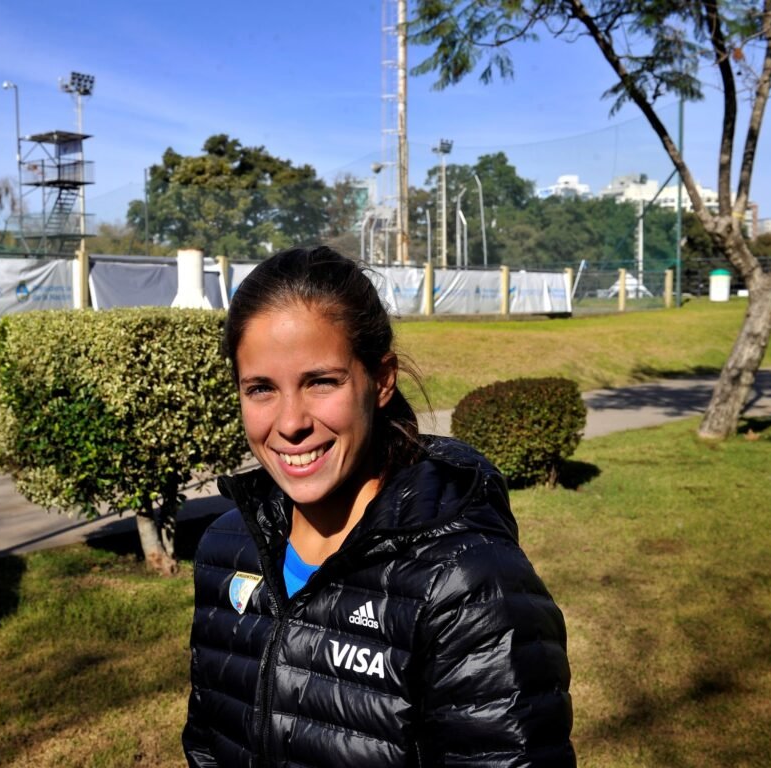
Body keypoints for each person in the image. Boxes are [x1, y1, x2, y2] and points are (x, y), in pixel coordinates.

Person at [184, 246, 575, 767]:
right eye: (260, 389)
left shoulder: (468, 584)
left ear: (382, 378)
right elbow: (207, 744)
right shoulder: (227, 549)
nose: (291, 422)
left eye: (321, 382)